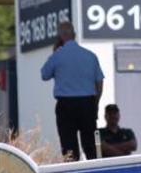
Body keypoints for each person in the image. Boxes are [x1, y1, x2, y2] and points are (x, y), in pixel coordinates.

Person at [41, 21, 104, 161]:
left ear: (60, 37)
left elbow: (44, 75)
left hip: (66, 105)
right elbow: (99, 82)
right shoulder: (90, 56)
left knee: (69, 147)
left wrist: (54, 53)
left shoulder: (57, 56)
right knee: (91, 146)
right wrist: (95, 103)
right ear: (74, 35)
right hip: (87, 103)